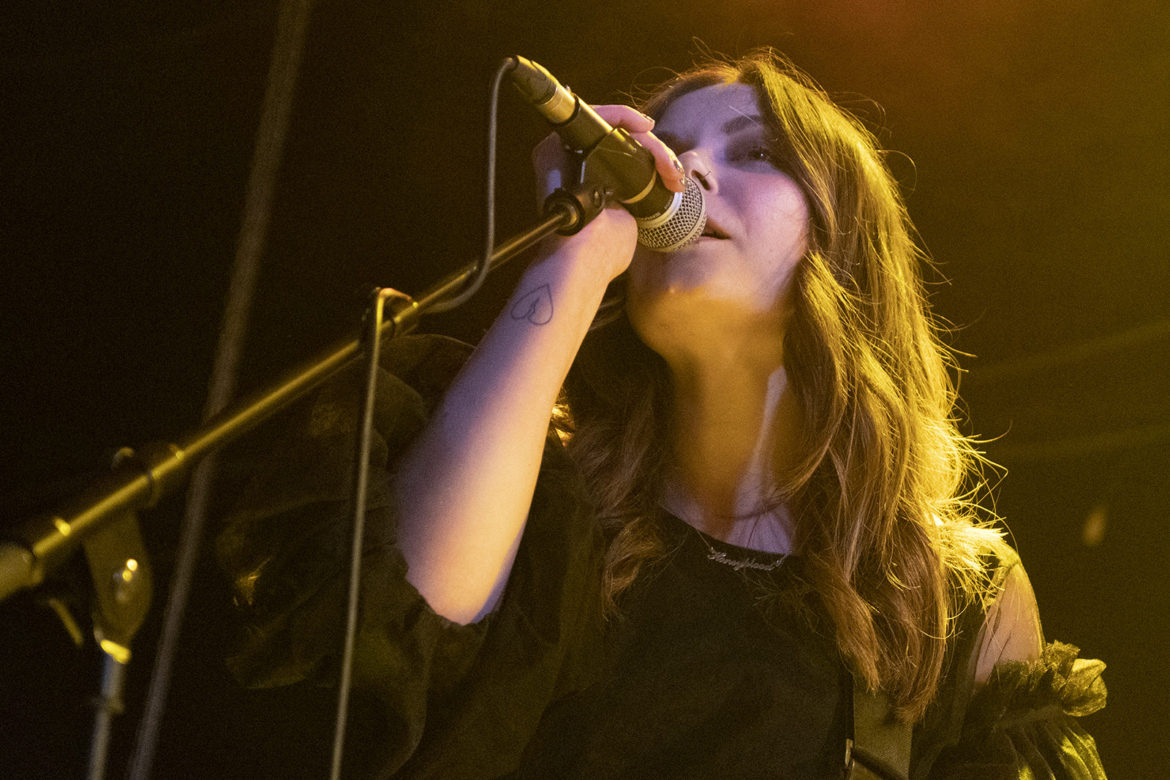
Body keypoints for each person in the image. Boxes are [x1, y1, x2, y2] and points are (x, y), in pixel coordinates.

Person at [216, 51, 1107, 777]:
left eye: (756, 152)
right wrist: (572, 257)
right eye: (667, 147)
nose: (685, 172)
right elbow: (405, 622)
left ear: (844, 244)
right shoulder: (539, 508)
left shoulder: (948, 596)